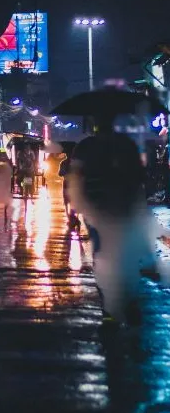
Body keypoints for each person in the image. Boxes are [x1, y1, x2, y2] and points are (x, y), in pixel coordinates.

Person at [68, 118, 158, 325]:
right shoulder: (126, 145)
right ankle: (127, 299)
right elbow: (139, 177)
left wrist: (77, 207)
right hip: (121, 207)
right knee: (123, 253)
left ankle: (109, 304)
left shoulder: (86, 147)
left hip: (97, 209)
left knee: (101, 254)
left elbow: (76, 177)